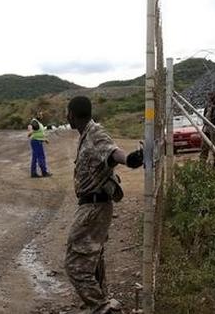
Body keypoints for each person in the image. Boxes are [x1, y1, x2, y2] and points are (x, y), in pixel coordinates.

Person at [65, 96, 143, 314]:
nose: (66, 116)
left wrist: (131, 159)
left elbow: (113, 154)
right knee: (94, 257)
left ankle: (100, 307)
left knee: (75, 264)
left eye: (67, 112)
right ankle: (102, 300)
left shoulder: (95, 133)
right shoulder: (87, 133)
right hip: (93, 205)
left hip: (94, 207)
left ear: (71, 114)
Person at [27, 110, 51, 178]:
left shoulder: (38, 123)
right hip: (36, 142)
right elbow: (30, 128)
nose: (41, 116)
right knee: (41, 157)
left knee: (35, 158)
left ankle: (33, 173)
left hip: (37, 141)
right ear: (37, 115)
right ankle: (44, 172)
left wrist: (45, 139)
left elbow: (39, 133)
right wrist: (30, 132)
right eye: (40, 115)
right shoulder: (34, 122)